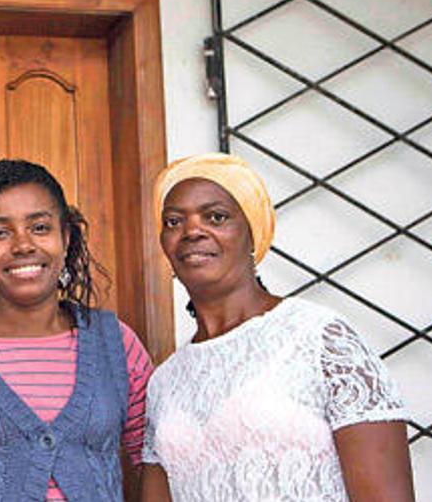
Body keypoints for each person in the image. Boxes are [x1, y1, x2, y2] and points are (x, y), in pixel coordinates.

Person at [141, 152, 414, 501]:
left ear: (252, 234)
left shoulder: (320, 340)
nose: (192, 231)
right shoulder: (166, 382)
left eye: (216, 217)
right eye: (174, 221)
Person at [0, 159, 154, 501]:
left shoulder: (116, 343)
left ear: (65, 238)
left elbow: (155, 462)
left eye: (39, 228)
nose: (23, 245)